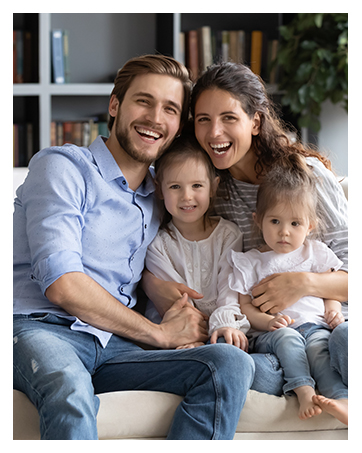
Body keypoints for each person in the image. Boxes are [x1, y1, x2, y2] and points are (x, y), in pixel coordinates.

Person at [13, 55, 255, 440]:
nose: (155, 118)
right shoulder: (63, 167)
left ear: (178, 127)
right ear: (115, 105)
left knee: (228, 363)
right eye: (144, 101)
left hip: (114, 346)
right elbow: (62, 281)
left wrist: (155, 285)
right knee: (69, 390)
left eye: (170, 109)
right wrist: (156, 334)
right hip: (43, 330)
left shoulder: (165, 192)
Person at [142, 61, 348, 397]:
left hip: (326, 322)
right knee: (248, 372)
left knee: (346, 344)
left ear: (255, 121)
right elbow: (162, 236)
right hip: (266, 338)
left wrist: (302, 283)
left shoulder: (303, 177)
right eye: (203, 120)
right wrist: (152, 283)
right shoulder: (206, 188)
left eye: (229, 118)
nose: (214, 133)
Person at [228, 153, 348, 424]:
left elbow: (330, 288)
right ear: (258, 220)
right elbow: (244, 306)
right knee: (288, 340)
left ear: (310, 226)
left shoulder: (316, 253)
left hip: (315, 326)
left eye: (295, 224)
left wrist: (333, 311)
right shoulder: (251, 261)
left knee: (320, 351)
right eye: (275, 222)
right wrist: (269, 321)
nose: (284, 232)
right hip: (274, 334)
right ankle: (304, 390)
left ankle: (341, 400)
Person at [145, 133, 250, 350]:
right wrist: (191, 338)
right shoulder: (157, 243)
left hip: (221, 329)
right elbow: (178, 301)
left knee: (231, 350)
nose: (187, 196)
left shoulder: (228, 235)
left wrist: (225, 325)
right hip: (178, 333)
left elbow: (229, 289)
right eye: (175, 186)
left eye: (197, 186)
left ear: (213, 187)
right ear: (159, 188)